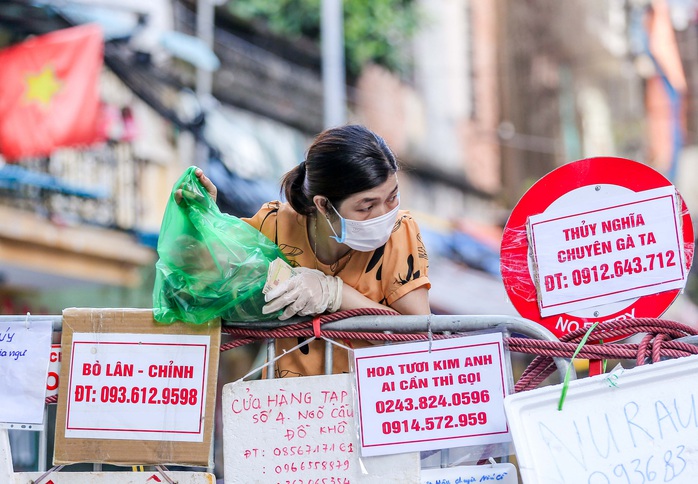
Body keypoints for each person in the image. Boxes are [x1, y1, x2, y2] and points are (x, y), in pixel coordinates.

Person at [195, 124, 431, 376]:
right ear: (323, 205)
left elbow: (418, 338)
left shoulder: (400, 231)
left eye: (392, 197)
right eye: (366, 207)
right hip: (292, 402)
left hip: (370, 402)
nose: (384, 214)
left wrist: (335, 294)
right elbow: (207, 276)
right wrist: (205, 221)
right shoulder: (275, 225)